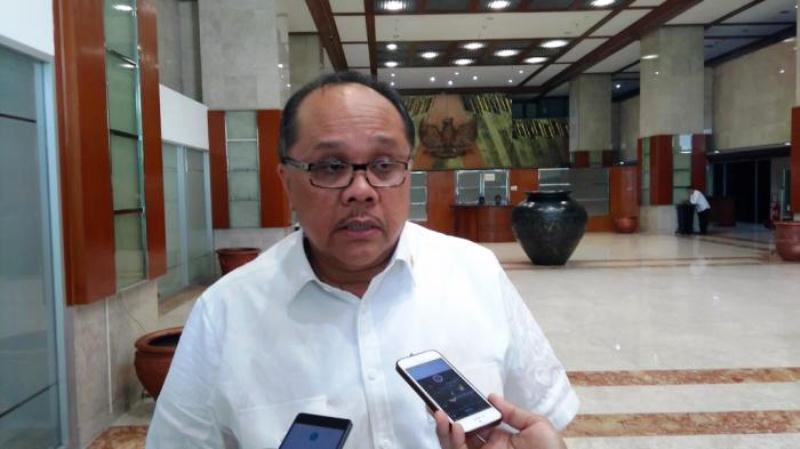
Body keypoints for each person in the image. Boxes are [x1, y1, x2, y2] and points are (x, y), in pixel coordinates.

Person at [146, 71, 577, 449]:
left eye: (384, 165)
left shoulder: (475, 273)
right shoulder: (226, 311)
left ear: (408, 173)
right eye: (330, 167)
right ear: (287, 181)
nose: (361, 190)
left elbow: (540, 416)